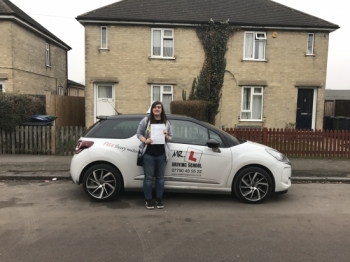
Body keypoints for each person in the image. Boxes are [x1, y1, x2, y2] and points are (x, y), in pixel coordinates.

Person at [136, 101, 173, 209]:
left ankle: (159, 199)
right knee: (148, 178)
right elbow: (139, 134)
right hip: (148, 154)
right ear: (152, 109)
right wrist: (145, 140)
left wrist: (166, 136)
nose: (157, 109)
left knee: (160, 178)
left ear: (162, 110)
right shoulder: (146, 120)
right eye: (155, 107)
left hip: (162, 154)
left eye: (159, 107)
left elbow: (171, 137)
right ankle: (148, 200)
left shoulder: (166, 123)